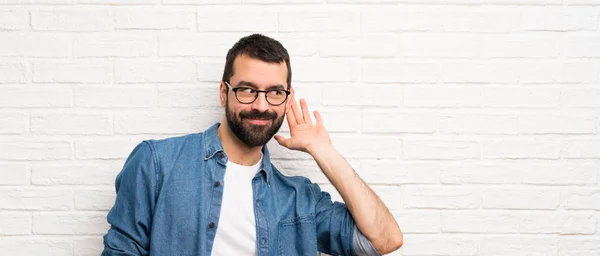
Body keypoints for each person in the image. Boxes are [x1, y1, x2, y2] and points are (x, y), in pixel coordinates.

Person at [102, 34, 403, 256]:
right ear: (224, 93)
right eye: (247, 90)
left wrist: (324, 151)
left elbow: (385, 240)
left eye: (274, 93)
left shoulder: (299, 199)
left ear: (286, 97)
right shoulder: (157, 164)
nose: (261, 105)